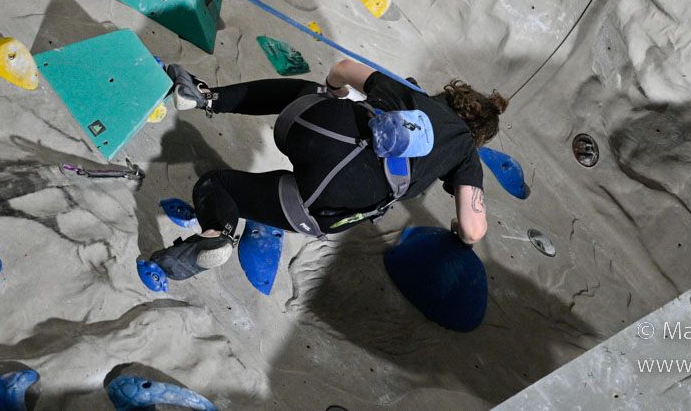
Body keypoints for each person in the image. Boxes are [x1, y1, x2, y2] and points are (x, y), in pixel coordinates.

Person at [149, 59, 508, 281]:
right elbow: (474, 229)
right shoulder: (464, 152)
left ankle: (206, 96)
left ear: (450, 97)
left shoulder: (413, 96)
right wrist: (460, 231)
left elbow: (343, 69)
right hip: (327, 200)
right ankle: (219, 232)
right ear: (476, 136)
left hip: (316, 129)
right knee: (217, 185)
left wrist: (332, 93)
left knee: (310, 92)